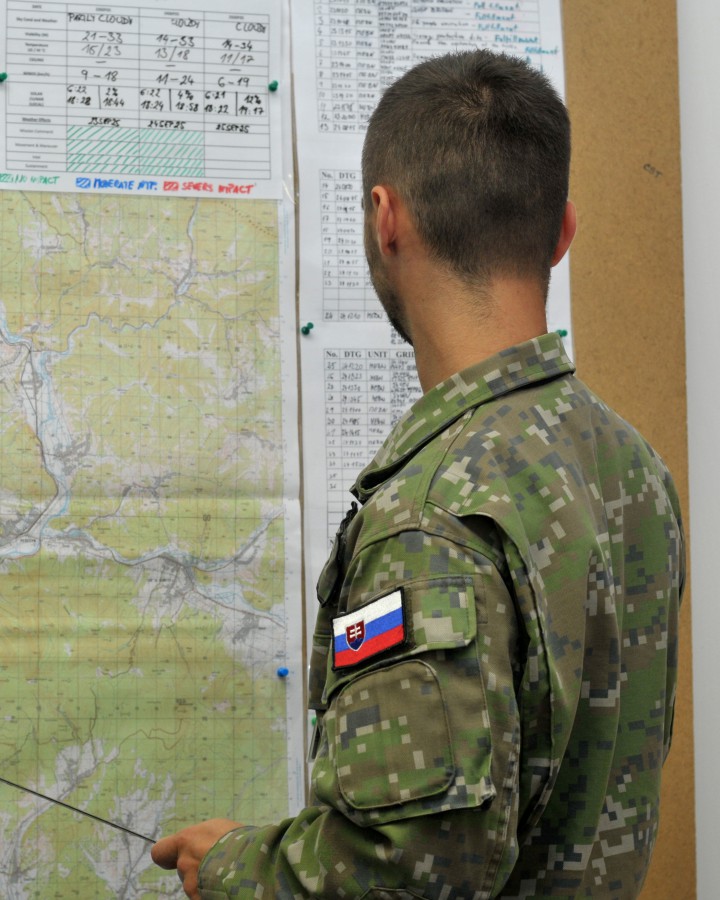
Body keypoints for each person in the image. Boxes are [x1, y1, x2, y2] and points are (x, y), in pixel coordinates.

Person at [151, 49, 685, 898]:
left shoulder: (431, 514)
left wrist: (231, 868)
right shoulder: (633, 466)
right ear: (562, 233)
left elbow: (406, 872)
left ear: (385, 217)